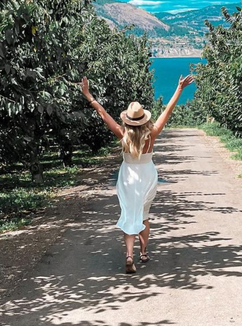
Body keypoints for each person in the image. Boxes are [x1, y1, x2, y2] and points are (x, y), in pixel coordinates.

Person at [80, 74, 194, 273]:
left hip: (128, 178)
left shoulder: (122, 134)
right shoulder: (152, 134)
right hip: (147, 177)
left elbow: (102, 113)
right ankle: (143, 252)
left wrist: (88, 95)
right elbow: (168, 110)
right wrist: (179, 89)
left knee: (129, 213)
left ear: (128, 121)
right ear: (143, 119)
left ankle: (129, 255)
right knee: (143, 215)